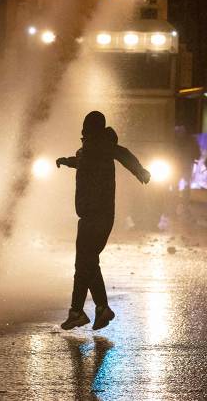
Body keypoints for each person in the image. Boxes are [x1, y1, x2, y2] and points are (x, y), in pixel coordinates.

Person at [56, 111, 150, 330]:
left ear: (92, 128)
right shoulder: (90, 149)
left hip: (98, 216)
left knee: (85, 264)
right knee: (87, 263)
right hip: (89, 215)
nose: (83, 129)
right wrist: (67, 161)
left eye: (87, 126)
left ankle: (79, 311)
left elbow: (123, 154)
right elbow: (84, 162)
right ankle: (98, 309)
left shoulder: (103, 146)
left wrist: (140, 171)